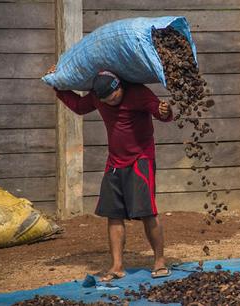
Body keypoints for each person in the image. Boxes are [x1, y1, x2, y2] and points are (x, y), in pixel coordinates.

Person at [46, 66, 173, 281]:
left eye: (114, 98)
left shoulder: (138, 92)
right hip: (114, 161)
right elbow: (78, 106)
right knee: (113, 215)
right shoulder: (98, 97)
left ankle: (160, 262)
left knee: (147, 212)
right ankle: (116, 266)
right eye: (105, 100)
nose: (110, 102)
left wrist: (165, 111)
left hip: (140, 159)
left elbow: (160, 112)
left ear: (119, 86)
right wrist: (57, 85)